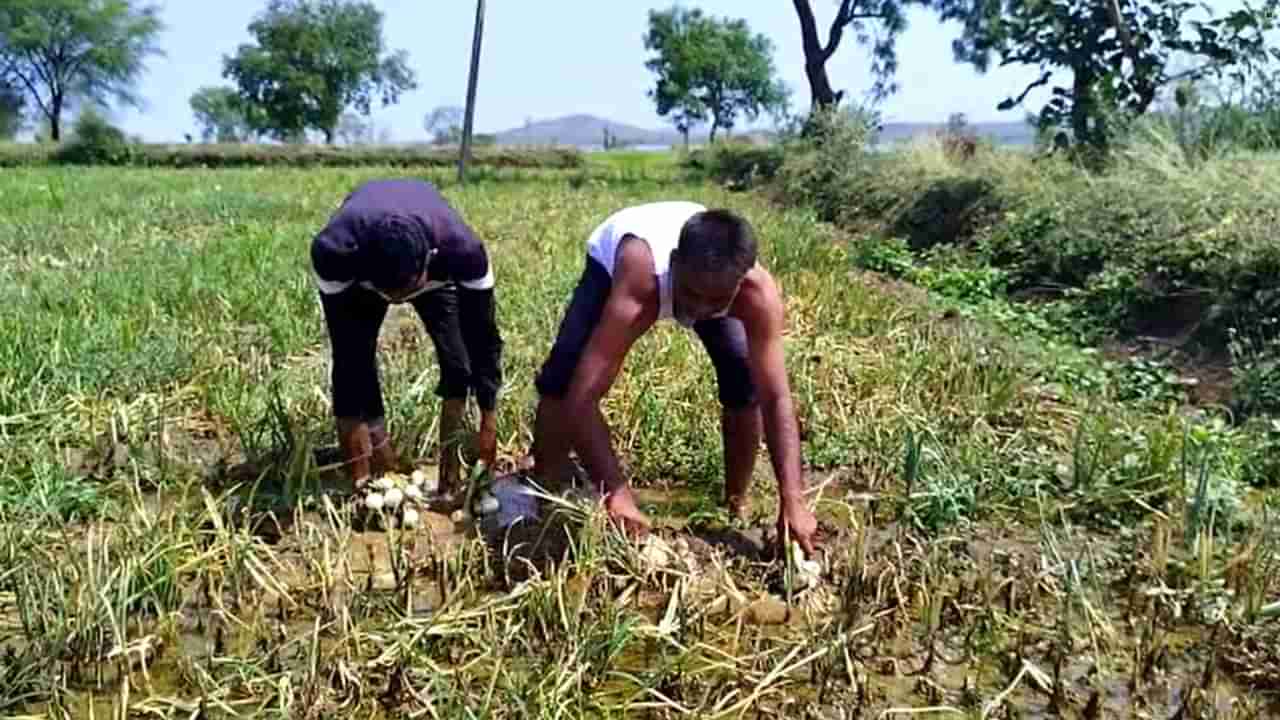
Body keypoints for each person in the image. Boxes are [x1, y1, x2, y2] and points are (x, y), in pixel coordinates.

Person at [528, 201, 819, 556]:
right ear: (675, 261)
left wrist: (794, 500)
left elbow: (776, 399)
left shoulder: (757, 296)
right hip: (615, 257)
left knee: (743, 382)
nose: (697, 310)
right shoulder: (641, 274)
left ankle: (734, 502)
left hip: (705, 274)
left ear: (740, 283)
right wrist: (617, 494)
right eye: (692, 295)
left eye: (715, 301)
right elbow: (583, 398)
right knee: (567, 373)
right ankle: (545, 478)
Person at [310, 178, 503, 497]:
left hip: (434, 277)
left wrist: (488, 423)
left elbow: (484, 341)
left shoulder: (463, 251)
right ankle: (380, 466)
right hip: (362, 280)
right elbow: (348, 358)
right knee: (357, 360)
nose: (397, 301)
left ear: (429, 261)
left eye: (407, 291)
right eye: (388, 293)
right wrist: (359, 467)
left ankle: (449, 476)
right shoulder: (333, 252)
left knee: (460, 364)